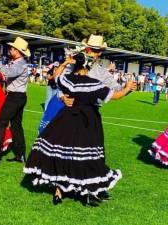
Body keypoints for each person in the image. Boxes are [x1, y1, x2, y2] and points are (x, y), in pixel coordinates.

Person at [24, 53, 136, 206]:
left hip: (67, 118)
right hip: (88, 120)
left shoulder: (68, 79)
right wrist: (128, 88)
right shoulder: (94, 83)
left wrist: (64, 63)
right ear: (87, 66)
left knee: (64, 152)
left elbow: (56, 76)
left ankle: (59, 189)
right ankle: (88, 189)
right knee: (87, 155)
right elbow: (116, 96)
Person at [0, 37, 31, 164]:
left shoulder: (20, 63)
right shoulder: (20, 62)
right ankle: (20, 154)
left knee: (0, 123)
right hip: (19, 96)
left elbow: (8, 73)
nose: (10, 50)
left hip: (14, 97)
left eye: (12, 48)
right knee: (16, 126)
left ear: (17, 51)